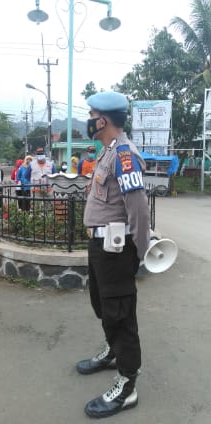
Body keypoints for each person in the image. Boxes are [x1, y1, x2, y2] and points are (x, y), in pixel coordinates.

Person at [76, 91, 151, 418]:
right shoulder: (108, 152)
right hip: (101, 248)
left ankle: (127, 385)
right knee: (103, 306)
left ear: (103, 120)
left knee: (121, 316)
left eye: (92, 115)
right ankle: (112, 353)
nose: (90, 120)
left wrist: (140, 253)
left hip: (117, 251)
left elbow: (138, 209)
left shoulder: (123, 156)